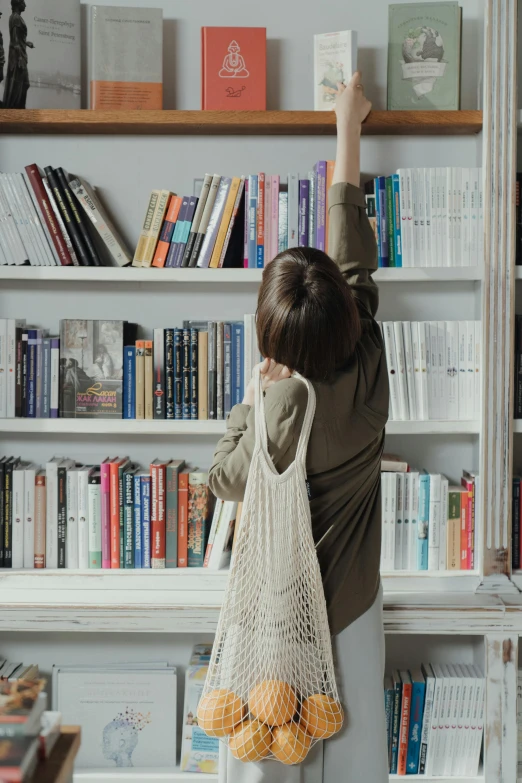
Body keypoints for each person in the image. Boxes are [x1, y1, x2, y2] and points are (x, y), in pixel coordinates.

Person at [210, 72, 390, 783]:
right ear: (348, 315)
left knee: (269, 756)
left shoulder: (280, 406)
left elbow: (224, 476)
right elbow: (351, 248)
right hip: (353, 609)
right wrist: (349, 125)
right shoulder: (370, 359)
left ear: (272, 339)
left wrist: (254, 399)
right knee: (352, 757)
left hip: (281, 616)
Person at [3, 0, 34, 110]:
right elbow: (15, 41)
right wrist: (20, 57)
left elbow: (16, 38)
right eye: (23, 2)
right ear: (18, 4)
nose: (25, 5)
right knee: (21, 84)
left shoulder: (14, 17)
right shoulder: (16, 18)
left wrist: (26, 43)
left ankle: (18, 108)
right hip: (18, 56)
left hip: (18, 54)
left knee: (22, 84)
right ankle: (16, 109)